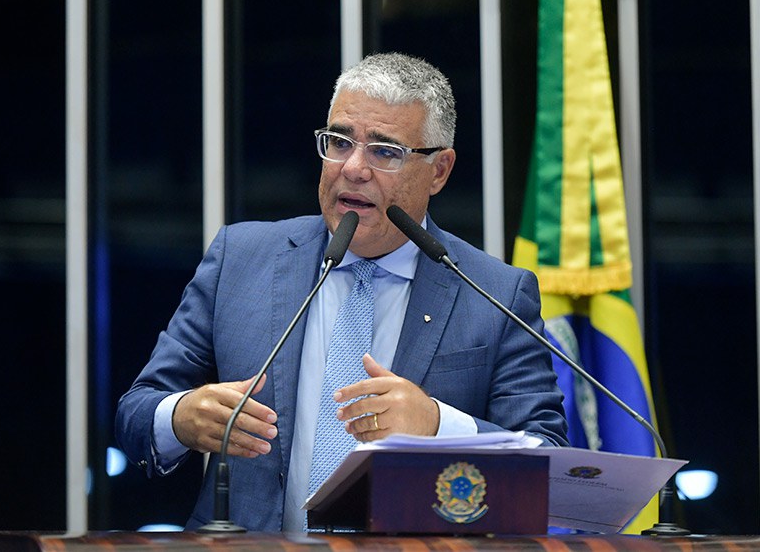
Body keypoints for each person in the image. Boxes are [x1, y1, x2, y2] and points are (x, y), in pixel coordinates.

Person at [115, 52, 568, 532]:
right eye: (339, 142)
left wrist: (438, 426)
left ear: (440, 170)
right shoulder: (241, 258)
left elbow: (550, 467)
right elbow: (137, 412)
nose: (353, 168)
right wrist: (181, 417)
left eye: (385, 151)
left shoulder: (495, 292)